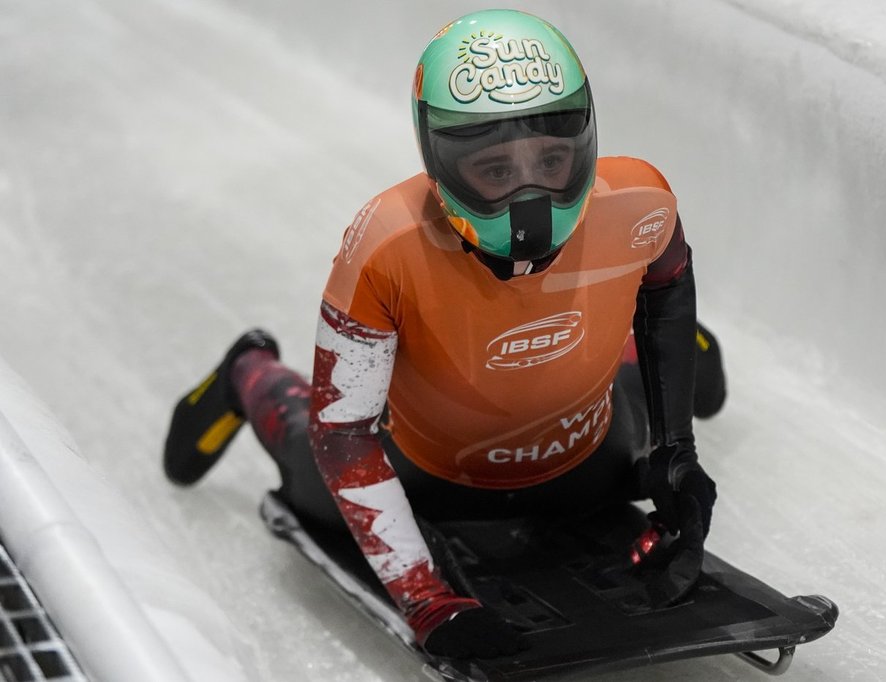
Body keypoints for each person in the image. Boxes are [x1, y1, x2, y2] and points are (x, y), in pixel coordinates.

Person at [163, 9, 726, 660]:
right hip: (425, 478)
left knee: (650, 356)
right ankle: (249, 370)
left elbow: (666, 287)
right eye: (495, 168)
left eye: (550, 157)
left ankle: (650, 342)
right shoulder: (385, 243)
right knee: (306, 455)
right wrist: (427, 597)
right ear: (442, 162)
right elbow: (341, 434)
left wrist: (678, 451)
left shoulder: (642, 204)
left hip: (589, 458)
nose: (530, 189)